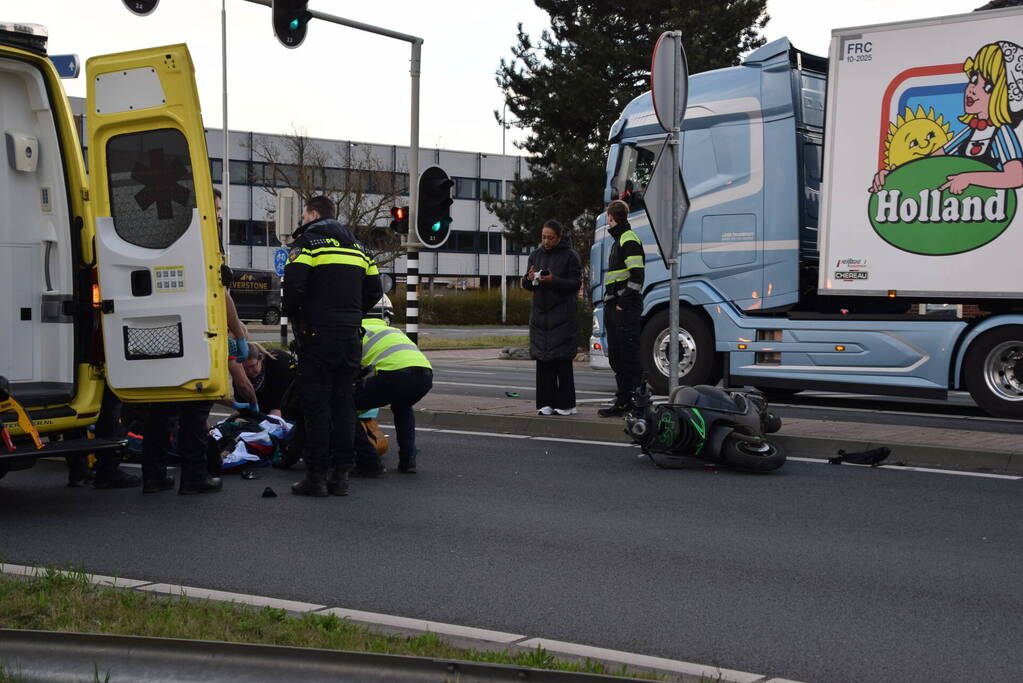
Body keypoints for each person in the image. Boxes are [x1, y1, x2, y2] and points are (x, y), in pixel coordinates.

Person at [284, 195, 382, 497]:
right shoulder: (361, 250)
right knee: (344, 406)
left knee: (316, 407)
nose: (302, 221)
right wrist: (350, 316)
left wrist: (303, 319)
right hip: (350, 336)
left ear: (313, 214)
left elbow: (292, 294)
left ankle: (316, 478)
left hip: (317, 337)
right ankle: (341, 476)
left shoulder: (307, 247)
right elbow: (375, 291)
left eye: (303, 216)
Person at [351, 316, 433, 475]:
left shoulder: (357, 331)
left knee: (344, 407)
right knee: (403, 406)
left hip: (394, 374)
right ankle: (408, 460)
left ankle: (368, 461)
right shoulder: (392, 330)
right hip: (425, 375)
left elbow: (351, 368)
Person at [522, 219, 582, 416]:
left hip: (562, 316)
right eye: (543, 237)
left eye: (550, 238)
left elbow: (574, 284)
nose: (546, 241)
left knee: (562, 362)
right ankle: (545, 403)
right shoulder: (535, 255)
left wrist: (553, 280)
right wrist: (528, 279)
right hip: (541, 317)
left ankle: (566, 404)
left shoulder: (570, 256)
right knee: (543, 361)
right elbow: (528, 285)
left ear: (559, 237)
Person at [598, 199, 645, 418]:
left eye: (608, 217)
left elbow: (637, 277)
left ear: (611, 217)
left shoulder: (627, 239)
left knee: (628, 355)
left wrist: (620, 304)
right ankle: (624, 399)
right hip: (617, 307)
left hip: (624, 309)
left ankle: (632, 401)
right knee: (618, 355)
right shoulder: (621, 240)